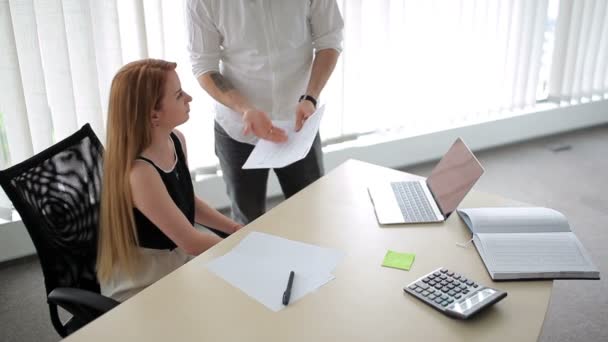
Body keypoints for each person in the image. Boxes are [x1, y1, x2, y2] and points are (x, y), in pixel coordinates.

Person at [185, 0, 344, 225]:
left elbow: (330, 40)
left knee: (311, 212)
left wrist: (310, 96)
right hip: (238, 125)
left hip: (299, 121)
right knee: (247, 222)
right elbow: (204, 65)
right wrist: (245, 109)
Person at [97, 59, 242, 302]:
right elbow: (192, 242)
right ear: (154, 115)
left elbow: (185, 200)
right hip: (143, 282)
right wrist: (239, 248)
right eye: (178, 95)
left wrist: (235, 229)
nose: (189, 98)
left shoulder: (175, 139)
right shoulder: (140, 173)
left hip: (175, 258)